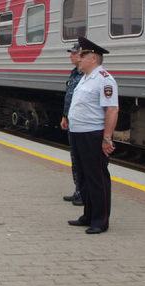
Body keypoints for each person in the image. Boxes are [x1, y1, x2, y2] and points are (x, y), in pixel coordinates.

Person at [66, 36, 119, 235]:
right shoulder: (85, 78)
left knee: (97, 178)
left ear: (93, 58)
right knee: (85, 177)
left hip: (93, 135)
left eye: (83, 55)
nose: (79, 59)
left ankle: (100, 220)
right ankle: (88, 215)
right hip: (79, 134)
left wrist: (107, 138)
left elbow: (112, 109)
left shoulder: (104, 79)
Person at [60, 43, 85, 207]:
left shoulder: (86, 76)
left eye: (74, 53)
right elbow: (70, 97)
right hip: (72, 121)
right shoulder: (74, 73)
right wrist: (65, 116)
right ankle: (78, 189)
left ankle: (84, 193)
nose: (71, 55)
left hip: (83, 124)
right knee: (75, 158)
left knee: (83, 160)